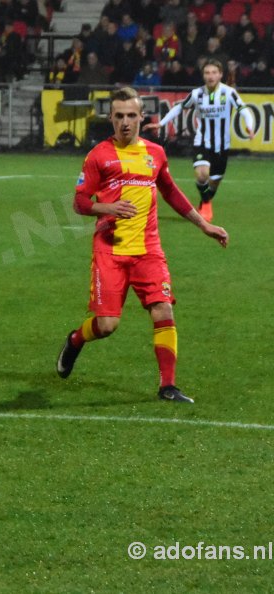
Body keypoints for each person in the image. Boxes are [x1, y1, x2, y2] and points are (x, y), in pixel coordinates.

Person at [57, 87, 230, 404]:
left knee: (163, 309)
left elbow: (171, 192)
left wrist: (203, 224)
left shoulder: (155, 154)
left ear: (141, 117)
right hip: (110, 249)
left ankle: (168, 386)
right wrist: (107, 208)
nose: (125, 122)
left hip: (148, 249)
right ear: (110, 118)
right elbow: (80, 202)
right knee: (108, 325)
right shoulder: (99, 156)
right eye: (119, 115)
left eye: (131, 115)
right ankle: (76, 339)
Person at [143, 58, 255, 222]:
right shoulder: (197, 94)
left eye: (214, 72)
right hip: (202, 141)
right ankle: (207, 203)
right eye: (207, 72)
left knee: (214, 181)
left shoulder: (229, 92)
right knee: (202, 175)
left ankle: (205, 200)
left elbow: (244, 110)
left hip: (222, 145)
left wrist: (250, 126)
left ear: (220, 75)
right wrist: (161, 123)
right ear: (203, 75)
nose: (210, 76)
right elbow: (179, 107)